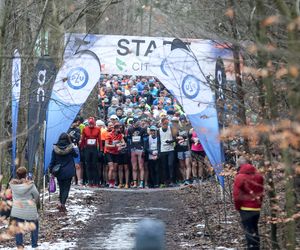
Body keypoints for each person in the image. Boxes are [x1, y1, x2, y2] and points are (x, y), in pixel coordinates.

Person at [233, 157, 264, 250]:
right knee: (255, 231)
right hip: (256, 208)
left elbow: (236, 195)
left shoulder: (240, 177)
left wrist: (238, 207)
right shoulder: (259, 176)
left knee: (249, 233)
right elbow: (261, 192)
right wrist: (259, 204)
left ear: (240, 165)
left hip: (245, 209)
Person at [10, 167, 39, 249]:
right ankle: (34, 244)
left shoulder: (13, 186)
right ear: (26, 174)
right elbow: (36, 195)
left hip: (17, 210)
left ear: (17, 175)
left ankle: (19, 245)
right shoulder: (30, 185)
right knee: (34, 225)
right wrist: (36, 203)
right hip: (29, 209)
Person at [49, 133, 78, 212]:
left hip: (59, 171)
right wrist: (74, 146)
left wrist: (51, 170)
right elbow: (76, 155)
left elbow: (52, 161)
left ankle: (61, 203)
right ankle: (63, 204)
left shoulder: (55, 149)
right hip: (68, 171)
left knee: (61, 188)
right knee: (66, 188)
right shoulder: (71, 148)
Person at [80, 117, 102, 187]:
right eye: (90, 124)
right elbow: (83, 139)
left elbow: (99, 140)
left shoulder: (97, 129)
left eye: (92, 124)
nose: (91, 125)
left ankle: (96, 181)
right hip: (87, 148)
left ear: (94, 123)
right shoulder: (85, 129)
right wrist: (81, 148)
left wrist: (101, 149)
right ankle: (90, 181)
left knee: (94, 165)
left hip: (94, 148)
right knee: (88, 165)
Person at [105, 123, 125, 188]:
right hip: (109, 152)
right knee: (111, 168)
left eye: (120, 128)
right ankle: (110, 182)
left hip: (116, 153)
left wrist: (121, 145)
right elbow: (106, 145)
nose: (119, 129)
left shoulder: (120, 135)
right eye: (118, 128)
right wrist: (115, 145)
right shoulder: (109, 134)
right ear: (115, 128)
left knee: (115, 168)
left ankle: (113, 182)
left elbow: (123, 143)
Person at [159, 117, 176, 186]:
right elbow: (158, 141)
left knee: (170, 164)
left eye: (167, 123)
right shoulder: (159, 130)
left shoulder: (171, 129)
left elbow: (175, 138)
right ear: (161, 123)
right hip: (163, 150)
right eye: (164, 123)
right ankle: (165, 181)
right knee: (164, 166)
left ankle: (172, 180)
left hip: (170, 149)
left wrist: (170, 141)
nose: (166, 125)